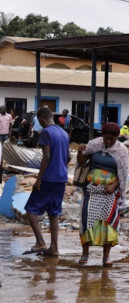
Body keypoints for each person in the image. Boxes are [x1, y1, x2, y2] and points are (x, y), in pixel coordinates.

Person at [76, 122, 129, 267]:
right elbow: (82, 163)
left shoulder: (122, 151)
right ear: (102, 135)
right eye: (106, 138)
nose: (109, 141)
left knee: (108, 223)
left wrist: (114, 185)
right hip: (91, 190)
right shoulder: (94, 145)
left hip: (109, 193)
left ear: (117, 137)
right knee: (87, 221)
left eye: (112, 139)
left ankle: (106, 257)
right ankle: (85, 253)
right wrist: (81, 152)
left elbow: (123, 172)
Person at [22, 107, 70, 257]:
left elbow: (46, 157)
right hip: (61, 179)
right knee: (53, 213)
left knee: (31, 209)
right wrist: (61, 167)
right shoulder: (63, 133)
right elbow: (68, 157)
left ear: (41, 119)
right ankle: (54, 248)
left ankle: (40, 242)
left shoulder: (46, 133)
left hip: (48, 178)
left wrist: (39, 180)